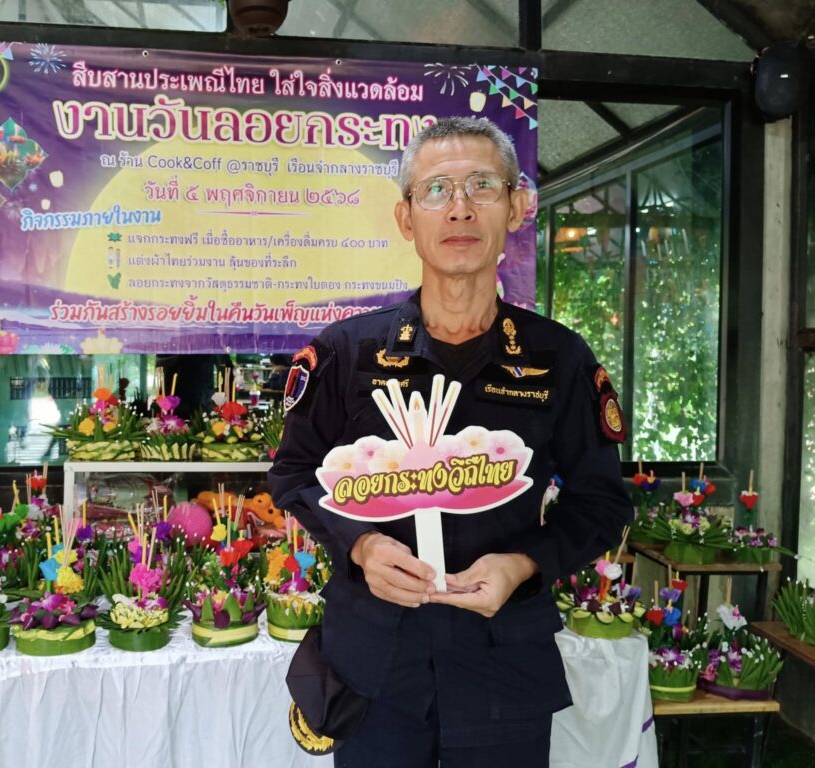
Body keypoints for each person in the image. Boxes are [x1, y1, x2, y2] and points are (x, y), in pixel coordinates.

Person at [269, 116, 634, 767]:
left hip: (503, 665)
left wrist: (522, 563)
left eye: (482, 185)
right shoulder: (348, 352)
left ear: (516, 207)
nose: (459, 207)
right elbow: (294, 473)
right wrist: (363, 546)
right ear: (406, 218)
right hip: (375, 668)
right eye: (436, 189)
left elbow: (602, 502)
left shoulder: (559, 359)